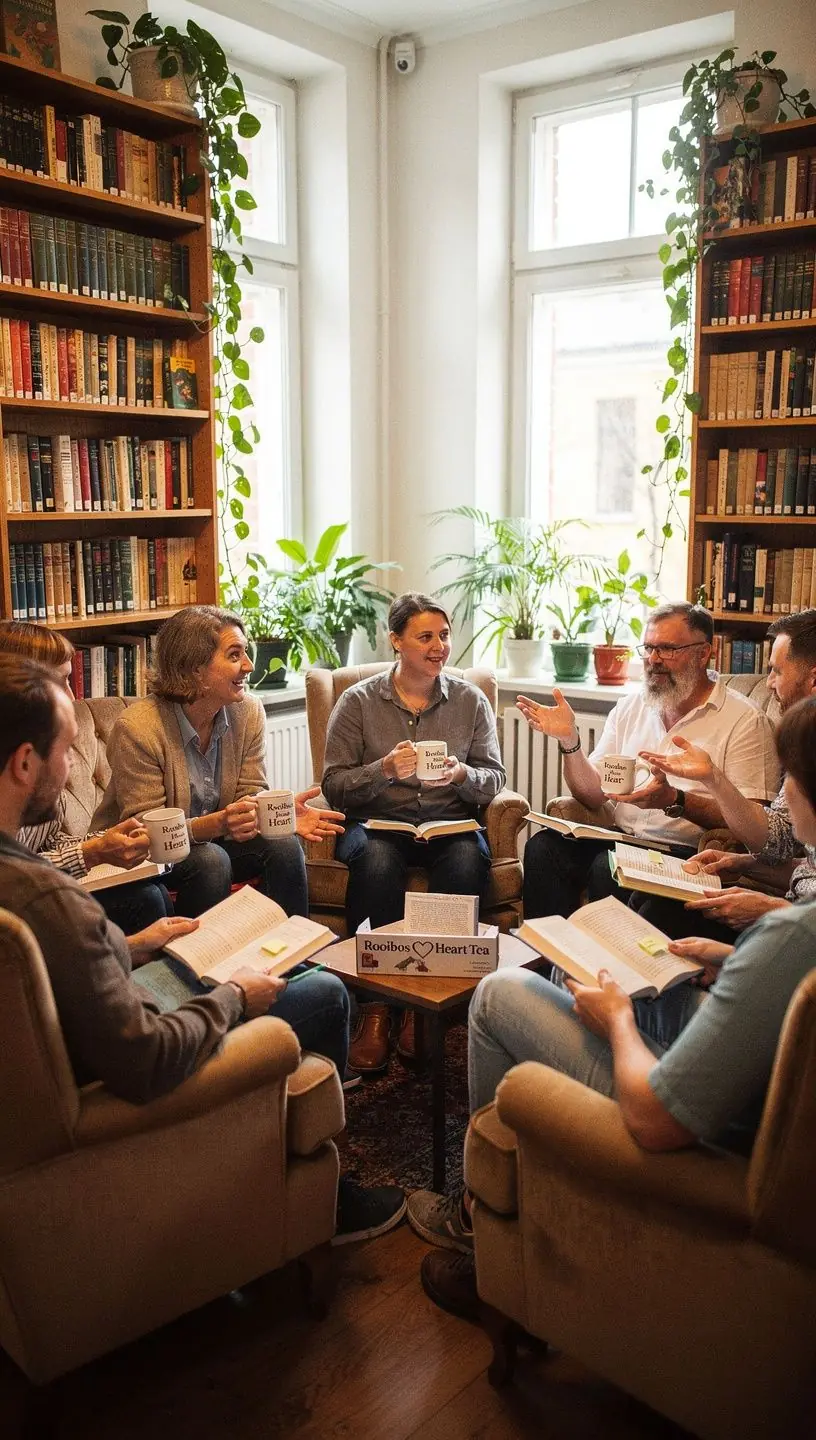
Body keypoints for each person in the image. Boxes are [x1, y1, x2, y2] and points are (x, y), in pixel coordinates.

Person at [410, 693, 816, 1316]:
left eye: (790, 784)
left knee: (499, 994)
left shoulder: (793, 934)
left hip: (718, 1132)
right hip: (762, 1081)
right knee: (634, 963)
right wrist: (734, 962)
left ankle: (482, 1224)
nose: (783, 801)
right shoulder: (795, 930)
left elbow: (658, 1120)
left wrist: (619, 1023)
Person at [0, 652, 406, 1243]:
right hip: (118, 1064)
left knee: (233, 894)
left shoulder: (27, 883)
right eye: (66, 750)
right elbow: (146, 1059)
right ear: (25, 762)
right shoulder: (48, 900)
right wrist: (236, 996)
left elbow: (56, 969)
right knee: (322, 993)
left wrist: (137, 945)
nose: (72, 768)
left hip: (89, 1017)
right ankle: (327, 1202)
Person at [322, 592, 506, 1070]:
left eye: (444, 636)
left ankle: (427, 1010)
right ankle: (379, 1009)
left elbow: (495, 779)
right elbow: (334, 785)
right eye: (425, 637)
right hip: (381, 824)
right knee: (378, 863)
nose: (439, 647)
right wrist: (383, 770)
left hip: (451, 823)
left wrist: (461, 774)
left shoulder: (471, 700)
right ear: (396, 641)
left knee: (467, 861)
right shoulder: (356, 702)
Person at [520, 602, 778, 920]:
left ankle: (605, 969)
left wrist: (675, 800)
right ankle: (550, 963)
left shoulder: (744, 720)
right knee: (543, 848)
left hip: (684, 852)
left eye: (668, 649)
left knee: (607, 867)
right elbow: (592, 794)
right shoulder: (631, 707)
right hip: (619, 837)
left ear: (703, 653)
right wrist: (569, 741)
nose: (654, 660)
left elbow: (756, 825)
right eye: (649, 648)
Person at [94, 605, 344, 918]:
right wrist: (216, 824)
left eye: (246, 653)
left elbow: (248, 796)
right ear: (194, 667)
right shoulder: (138, 728)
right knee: (211, 860)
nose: (249, 666)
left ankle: (295, 958)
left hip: (217, 841)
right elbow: (149, 833)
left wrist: (272, 814)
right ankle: (201, 962)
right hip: (146, 856)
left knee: (283, 846)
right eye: (235, 655)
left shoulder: (248, 712)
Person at [634, 610, 816, 940]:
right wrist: (745, 863)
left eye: (776, 671)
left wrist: (771, 910)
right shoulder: (806, 740)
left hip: (801, 933)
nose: (769, 682)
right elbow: (780, 845)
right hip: (796, 920)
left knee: (661, 913)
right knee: (651, 898)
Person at [0, 619, 171, 932]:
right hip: (17, 917)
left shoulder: (42, 750)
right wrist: (90, 853)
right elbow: (10, 877)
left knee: (150, 892)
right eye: (61, 682)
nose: (72, 695)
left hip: (39, 894)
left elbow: (50, 841)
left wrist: (105, 840)